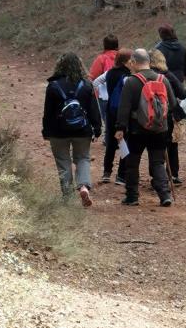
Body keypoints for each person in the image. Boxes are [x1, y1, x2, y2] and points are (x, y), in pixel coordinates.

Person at [115, 48, 175, 207]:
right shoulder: (163, 79)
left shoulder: (132, 81)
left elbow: (124, 108)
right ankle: (164, 195)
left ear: (134, 62)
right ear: (149, 61)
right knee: (157, 162)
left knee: (132, 163)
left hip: (137, 129)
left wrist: (120, 128)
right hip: (160, 129)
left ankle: (132, 197)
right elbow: (173, 104)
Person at [42, 52, 102, 207]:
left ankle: (68, 198)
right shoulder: (86, 85)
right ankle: (83, 186)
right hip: (82, 130)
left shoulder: (53, 86)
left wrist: (46, 131)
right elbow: (94, 109)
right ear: (80, 65)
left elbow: (48, 112)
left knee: (63, 162)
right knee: (83, 158)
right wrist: (97, 128)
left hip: (58, 131)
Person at [93, 48, 133, 184]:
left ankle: (106, 173)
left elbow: (94, 83)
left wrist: (103, 95)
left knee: (110, 143)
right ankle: (121, 175)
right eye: (130, 60)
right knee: (124, 142)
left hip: (110, 111)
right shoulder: (128, 77)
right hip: (123, 113)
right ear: (125, 62)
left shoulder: (109, 73)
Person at [150, 47, 186, 184]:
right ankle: (173, 174)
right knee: (172, 145)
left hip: (151, 115)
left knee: (155, 147)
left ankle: (157, 177)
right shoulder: (168, 75)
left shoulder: (144, 76)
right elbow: (183, 94)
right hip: (170, 113)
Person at [88, 35, 119, 142]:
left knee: (107, 118)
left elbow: (92, 77)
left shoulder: (101, 58)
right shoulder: (123, 57)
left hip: (104, 95)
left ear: (104, 45)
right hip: (121, 94)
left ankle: (109, 138)